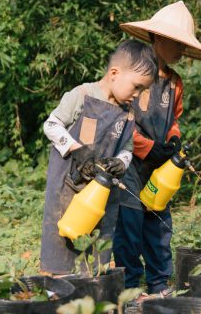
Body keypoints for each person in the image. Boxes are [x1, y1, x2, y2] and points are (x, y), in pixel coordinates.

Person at [113, 1, 201, 296]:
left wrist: (173, 139)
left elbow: (175, 119)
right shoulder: (132, 73)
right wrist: (146, 147)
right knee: (129, 225)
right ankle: (130, 286)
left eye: (185, 45)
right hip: (129, 161)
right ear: (157, 38)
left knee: (158, 223)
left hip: (159, 168)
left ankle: (158, 283)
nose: (181, 51)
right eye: (177, 44)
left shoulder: (175, 82)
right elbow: (119, 118)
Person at [40, 40, 158, 275]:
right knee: (62, 245)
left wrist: (121, 162)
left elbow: (127, 148)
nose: (137, 95)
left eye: (142, 91)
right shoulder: (82, 94)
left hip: (102, 194)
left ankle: (92, 292)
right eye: (136, 87)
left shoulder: (128, 113)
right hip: (69, 187)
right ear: (114, 73)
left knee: (97, 251)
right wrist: (76, 148)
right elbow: (51, 125)